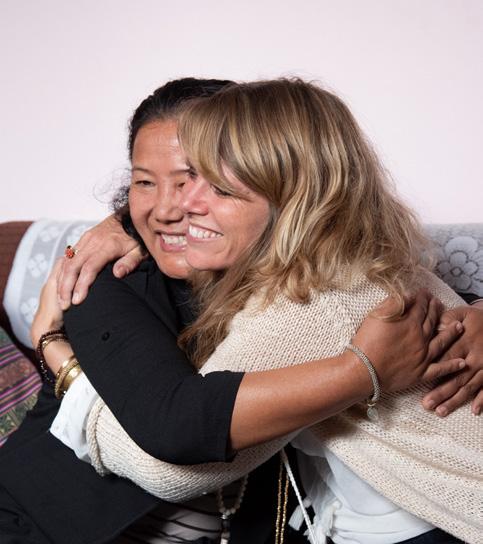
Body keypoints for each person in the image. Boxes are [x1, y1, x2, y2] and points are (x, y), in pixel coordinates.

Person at [0, 77, 467, 544]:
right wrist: (54, 348)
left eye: (199, 179)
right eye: (143, 183)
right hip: (47, 525)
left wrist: (474, 315)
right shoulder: (101, 276)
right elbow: (172, 440)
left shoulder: (298, 290)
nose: (174, 206)